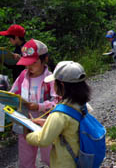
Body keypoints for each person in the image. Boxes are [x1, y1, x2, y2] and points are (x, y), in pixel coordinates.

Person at [26, 61, 90, 168]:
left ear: (62, 85)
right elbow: (70, 126)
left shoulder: (60, 114)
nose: (53, 85)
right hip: (80, 157)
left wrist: (28, 134)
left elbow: (43, 139)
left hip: (65, 162)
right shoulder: (82, 105)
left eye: (54, 82)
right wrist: (47, 123)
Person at [10, 39, 58, 168]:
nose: (29, 67)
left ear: (45, 59)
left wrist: (39, 106)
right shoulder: (22, 76)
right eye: (26, 63)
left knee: (50, 157)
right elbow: (12, 93)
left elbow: (57, 102)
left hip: (46, 124)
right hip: (25, 122)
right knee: (25, 160)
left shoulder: (51, 79)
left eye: (33, 63)